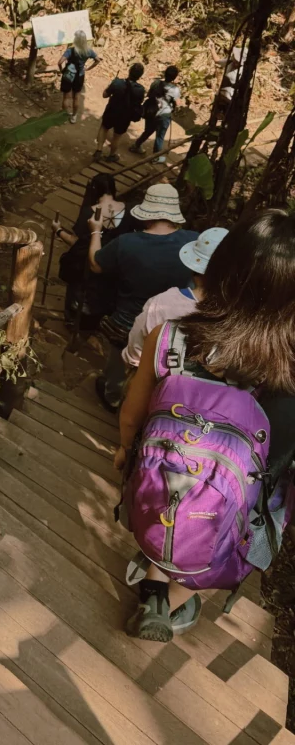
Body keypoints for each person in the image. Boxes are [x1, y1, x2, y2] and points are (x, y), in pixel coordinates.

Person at [116, 210, 295, 642]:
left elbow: (132, 414)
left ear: (221, 268)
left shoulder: (169, 335)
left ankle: (155, 575)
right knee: (221, 522)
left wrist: (125, 451)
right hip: (243, 501)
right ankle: (171, 598)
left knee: (172, 492)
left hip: (166, 472)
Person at [88, 183, 194, 409]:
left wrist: (96, 230)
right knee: (155, 369)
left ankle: (113, 396)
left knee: (119, 362)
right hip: (170, 325)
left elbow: (96, 264)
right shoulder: (193, 242)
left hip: (127, 321)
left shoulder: (126, 243)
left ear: (147, 214)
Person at [122, 227, 228, 368]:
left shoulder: (162, 303)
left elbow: (135, 353)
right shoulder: (241, 316)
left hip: (152, 378)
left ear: (193, 267)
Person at [52, 173, 132, 326]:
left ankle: (74, 320)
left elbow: (76, 242)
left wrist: (58, 230)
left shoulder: (90, 212)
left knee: (80, 291)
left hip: (89, 262)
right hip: (114, 264)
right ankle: (97, 322)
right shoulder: (127, 210)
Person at [93, 63, 145, 163]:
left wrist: (109, 86)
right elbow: (139, 102)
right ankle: (111, 155)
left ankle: (99, 150)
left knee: (104, 128)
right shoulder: (140, 90)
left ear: (129, 71)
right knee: (117, 136)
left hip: (112, 111)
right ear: (140, 76)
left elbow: (105, 95)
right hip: (125, 116)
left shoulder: (117, 83)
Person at [130, 65, 180, 157]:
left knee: (148, 131)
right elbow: (178, 104)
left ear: (165, 73)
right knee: (160, 137)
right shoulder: (175, 89)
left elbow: (149, 94)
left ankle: (136, 145)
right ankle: (155, 158)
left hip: (151, 111)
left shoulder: (156, 82)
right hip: (164, 115)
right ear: (175, 77)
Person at [59, 29, 100, 124]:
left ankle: (62, 117)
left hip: (68, 75)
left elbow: (60, 62)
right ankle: (74, 116)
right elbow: (98, 60)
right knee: (76, 97)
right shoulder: (88, 51)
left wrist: (61, 69)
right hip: (80, 75)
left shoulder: (70, 51)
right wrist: (88, 68)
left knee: (66, 97)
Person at [212, 44, 246, 118]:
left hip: (230, 98)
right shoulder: (230, 62)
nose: (235, 61)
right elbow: (217, 60)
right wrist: (212, 49)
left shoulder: (242, 71)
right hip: (221, 94)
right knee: (215, 114)